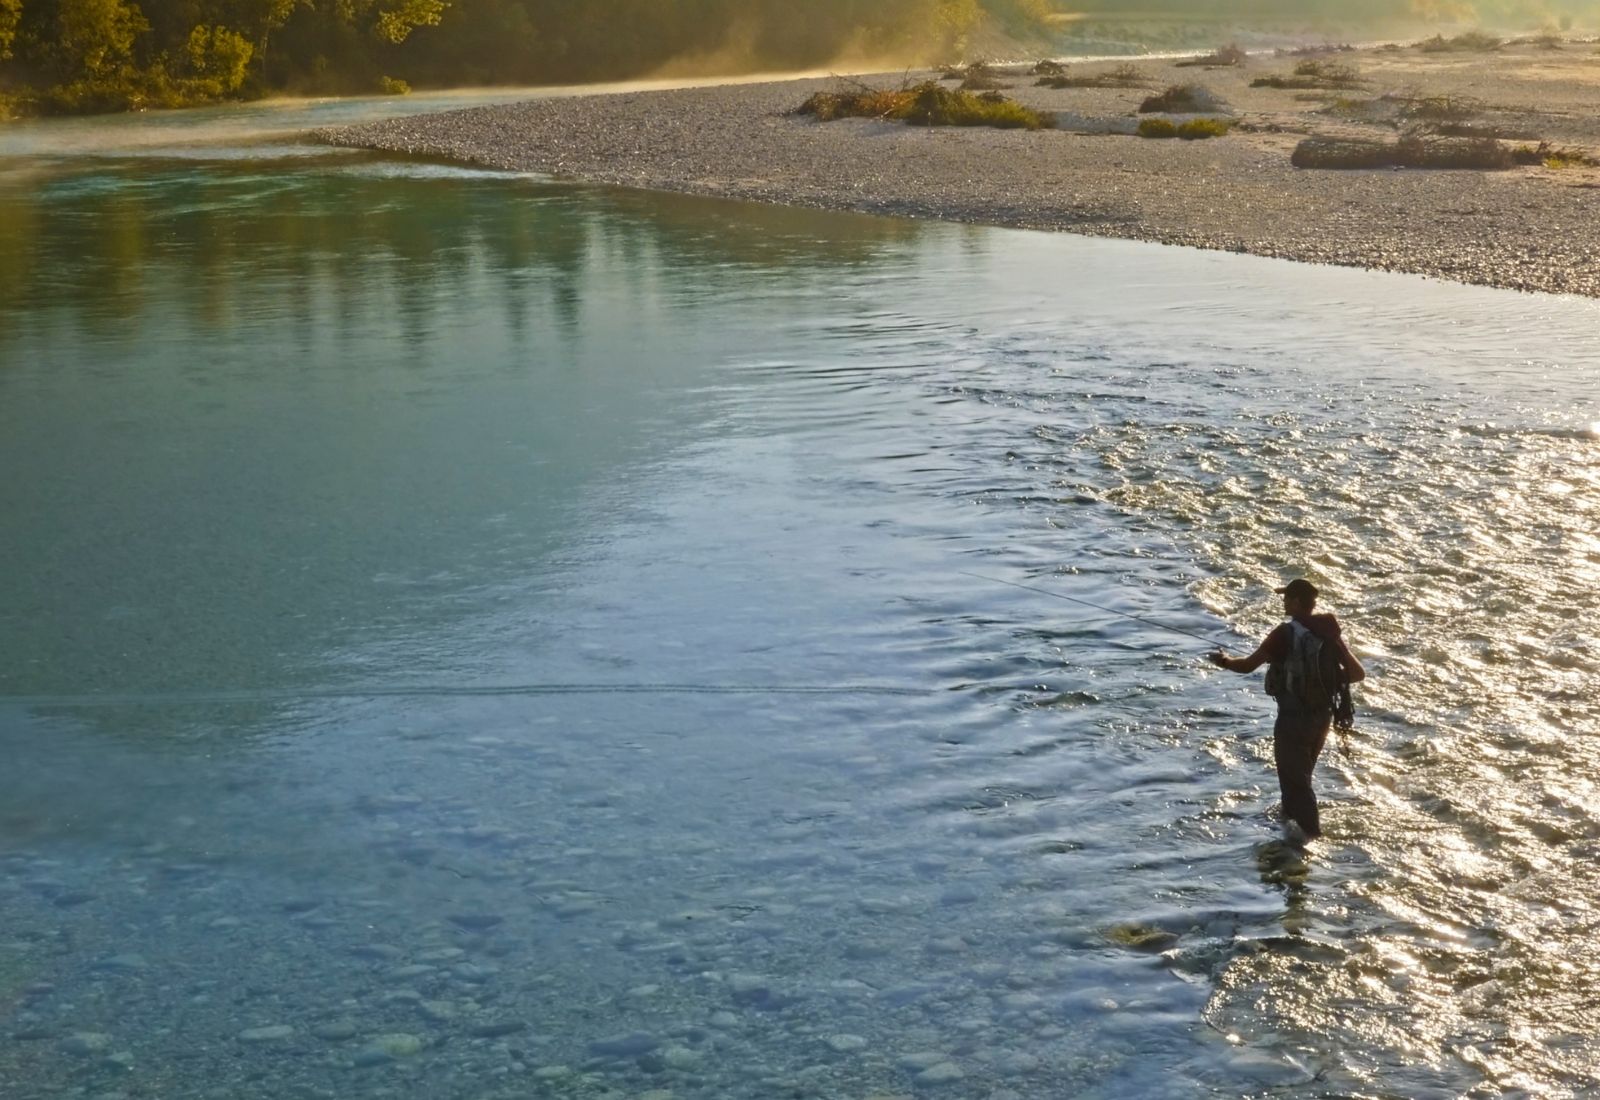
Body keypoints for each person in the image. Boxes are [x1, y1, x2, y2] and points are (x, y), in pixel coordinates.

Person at [1207, 578, 1365, 843]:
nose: (1283, 602)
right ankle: (1288, 831)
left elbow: (1246, 666)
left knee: (1296, 783)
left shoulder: (1284, 633)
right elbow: (1357, 674)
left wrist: (1222, 660)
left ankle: (1309, 842)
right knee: (1300, 778)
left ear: (1297, 602)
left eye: (1287, 598)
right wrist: (1320, 681)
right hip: (1322, 718)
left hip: (1293, 719)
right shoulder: (1328, 633)